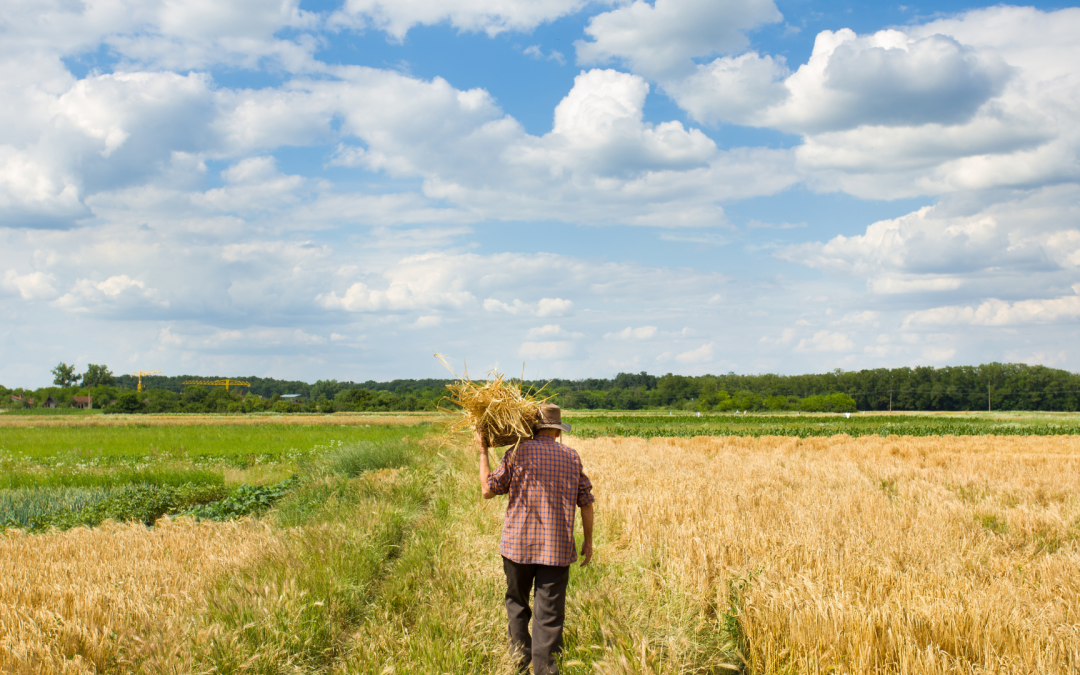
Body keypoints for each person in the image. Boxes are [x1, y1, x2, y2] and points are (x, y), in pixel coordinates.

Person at [477, 403, 595, 675]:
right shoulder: (571, 457)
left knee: (517, 603)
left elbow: (487, 490)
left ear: (532, 427)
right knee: (550, 616)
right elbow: (586, 501)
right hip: (557, 549)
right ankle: (544, 671)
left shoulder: (517, 453)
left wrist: (483, 451)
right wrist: (588, 541)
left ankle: (519, 661)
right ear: (557, 430)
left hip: (517, 546)